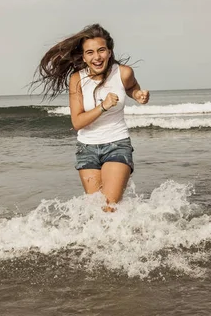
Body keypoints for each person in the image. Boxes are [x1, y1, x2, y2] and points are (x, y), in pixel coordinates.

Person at [33, 24, 149, 212]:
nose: (96, 57)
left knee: (109, 207)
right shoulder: (77, 79)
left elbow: (131, 87)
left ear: (109, 52)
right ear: (84, 57)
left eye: (101, 50)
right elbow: (77, 122)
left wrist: (138, 95)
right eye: (90, 52)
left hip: (117, 143)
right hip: (87, 148)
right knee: (97, 209)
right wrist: (102, 107)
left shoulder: (123, 72)